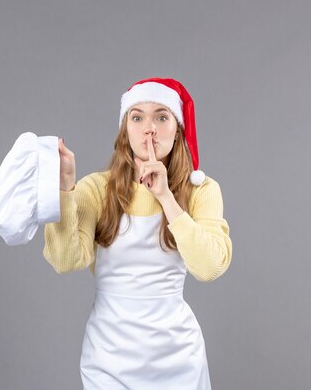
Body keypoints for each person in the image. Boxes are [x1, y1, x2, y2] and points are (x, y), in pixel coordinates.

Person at [43, 77, 232, 390]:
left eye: (161, 116)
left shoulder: (202, 190)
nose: (149, 129)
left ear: (178, 128)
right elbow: (64, 261)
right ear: (124, 129)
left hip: (178, 359)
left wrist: (166, 197)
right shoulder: (97, 189)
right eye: (137, 117)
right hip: (109, 358)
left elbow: (209, 267)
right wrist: (64, 191)